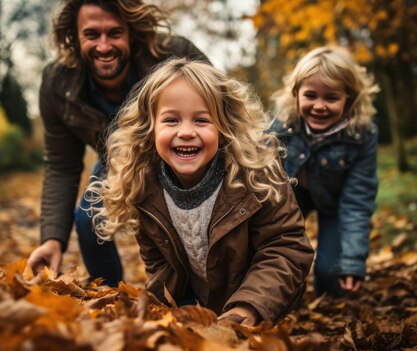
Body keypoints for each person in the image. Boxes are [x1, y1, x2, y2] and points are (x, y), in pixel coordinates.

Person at [86, 58, 314, 325]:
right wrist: (177, 309)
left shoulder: (257, 175)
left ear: (224, 127)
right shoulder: (144, 188)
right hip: (196, 306)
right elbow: (160, 265)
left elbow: (285, 249)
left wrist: (249, 308)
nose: (185, 132)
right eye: (171, 120)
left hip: (259, 303)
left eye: (201, 120)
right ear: (150, 128)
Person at [27, 0, 209, 286]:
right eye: (91, 35)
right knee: (89, 223)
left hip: (189, 155)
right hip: (118, 161)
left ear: (131, 32)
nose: (103, 46)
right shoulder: (57, 84)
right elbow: (62, 167)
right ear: (74, 37)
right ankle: (110, 295)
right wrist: (52, 240)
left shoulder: (175, 53)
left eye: (114, 33)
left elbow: (222, 116)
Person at [271, 46, 380, 297]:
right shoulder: (282, 126)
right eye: (310, 95)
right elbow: (264, 183)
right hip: (291, 197)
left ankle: (328, 284)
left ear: (349, 100)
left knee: (333, 275)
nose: (319, 106)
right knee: (282, 267)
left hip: (335, 201)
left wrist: (352, 260)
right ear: (296, 93)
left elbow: (357, 200)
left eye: (331, 98)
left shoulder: (361, 135)